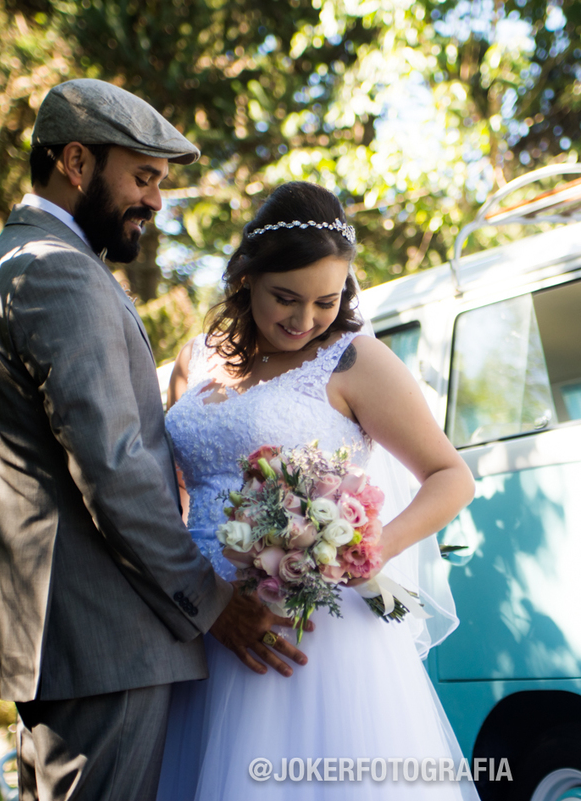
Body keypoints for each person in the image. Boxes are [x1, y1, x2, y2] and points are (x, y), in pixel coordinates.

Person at [0, 79, 306, 801]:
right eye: (143, 177)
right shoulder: (58, 271)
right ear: (76, 162)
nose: (156, 200)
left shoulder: (15, 262)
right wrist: (212, 602)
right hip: (106, 640)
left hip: (71, 641)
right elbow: (113, 467)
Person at [157, 181, 479, 799]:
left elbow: (451, 476)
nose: (304, 320)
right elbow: (174, 495)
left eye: (325, 302)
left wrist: (365, 550)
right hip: (204, 624)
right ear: (246, 278)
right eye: (286, 298)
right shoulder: (192, 361)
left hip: (309, 637)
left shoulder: (355, 361)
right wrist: (199, 601)